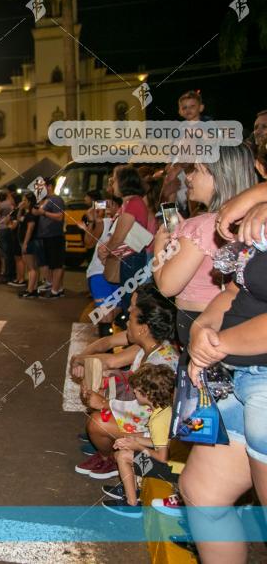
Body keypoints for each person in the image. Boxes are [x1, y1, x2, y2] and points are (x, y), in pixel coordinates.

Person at [179, 183, 267, 563]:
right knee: (204, 493)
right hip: (243, 377)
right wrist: (205, 327)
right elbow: (236, 291)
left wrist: (221, 342)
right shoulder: (257, 212)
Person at [153, 145, 258, 366]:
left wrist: (159, 248)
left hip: (201, 327)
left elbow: (166, 286)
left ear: (219, 177)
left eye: (197, 170)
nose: (188, 177)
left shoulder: (200, 226)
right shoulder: (251, 220)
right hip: (236, 327)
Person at [75, 286, 178, 480]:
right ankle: (109, 455)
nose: (126, 322)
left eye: (130, 320)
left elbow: (148, 409)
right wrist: (105, 380)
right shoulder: (149, 348)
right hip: (149, 419)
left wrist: (104, 404)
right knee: (99, 396)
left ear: (143, 329)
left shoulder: (159, 361)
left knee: (98, 422)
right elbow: (133, 381)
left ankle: (112, 460)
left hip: (157, 429)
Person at [101, 362, 179, 517]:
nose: (134, 391)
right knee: (125, 449)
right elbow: (159, 442)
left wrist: (137, 446)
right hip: (176, 466)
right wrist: (133, 439)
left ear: (148, 394)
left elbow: (162, 458)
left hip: (170, 472)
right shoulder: (165, 409)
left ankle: (132, 502)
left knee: (123, 456)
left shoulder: (159, 420)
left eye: (137, 389)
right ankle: (131, 488)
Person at [100, 166, 153, 319]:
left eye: (114, 180)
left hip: (131, 258)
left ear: (124, 182)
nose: (112, 184)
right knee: (128, 299)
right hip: (129, 257)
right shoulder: (129, 203)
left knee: (130, 301)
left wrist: (106, 249)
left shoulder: (133, 203)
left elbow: (119, 235)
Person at [84, 196, 121, 335]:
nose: (106, 208)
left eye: (110, 205)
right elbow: (88, 242)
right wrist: (92, 220)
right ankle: (105, 354)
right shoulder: (105, 222)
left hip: (120, 274)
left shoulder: (130, 222)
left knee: (118, 313)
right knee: (105, 317)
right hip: (99, 273)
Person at [31, 177, 66, 297]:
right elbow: (35, 212)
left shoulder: (56, 199)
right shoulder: (45, 199)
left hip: (55, 235)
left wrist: (44, 213)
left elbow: (60, 216)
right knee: (51, 264)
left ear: (50, 186)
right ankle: (57, 288)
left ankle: (55, 291)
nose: (41, 189)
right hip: (46, 236)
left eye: (43, 186)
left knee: (56, 264)